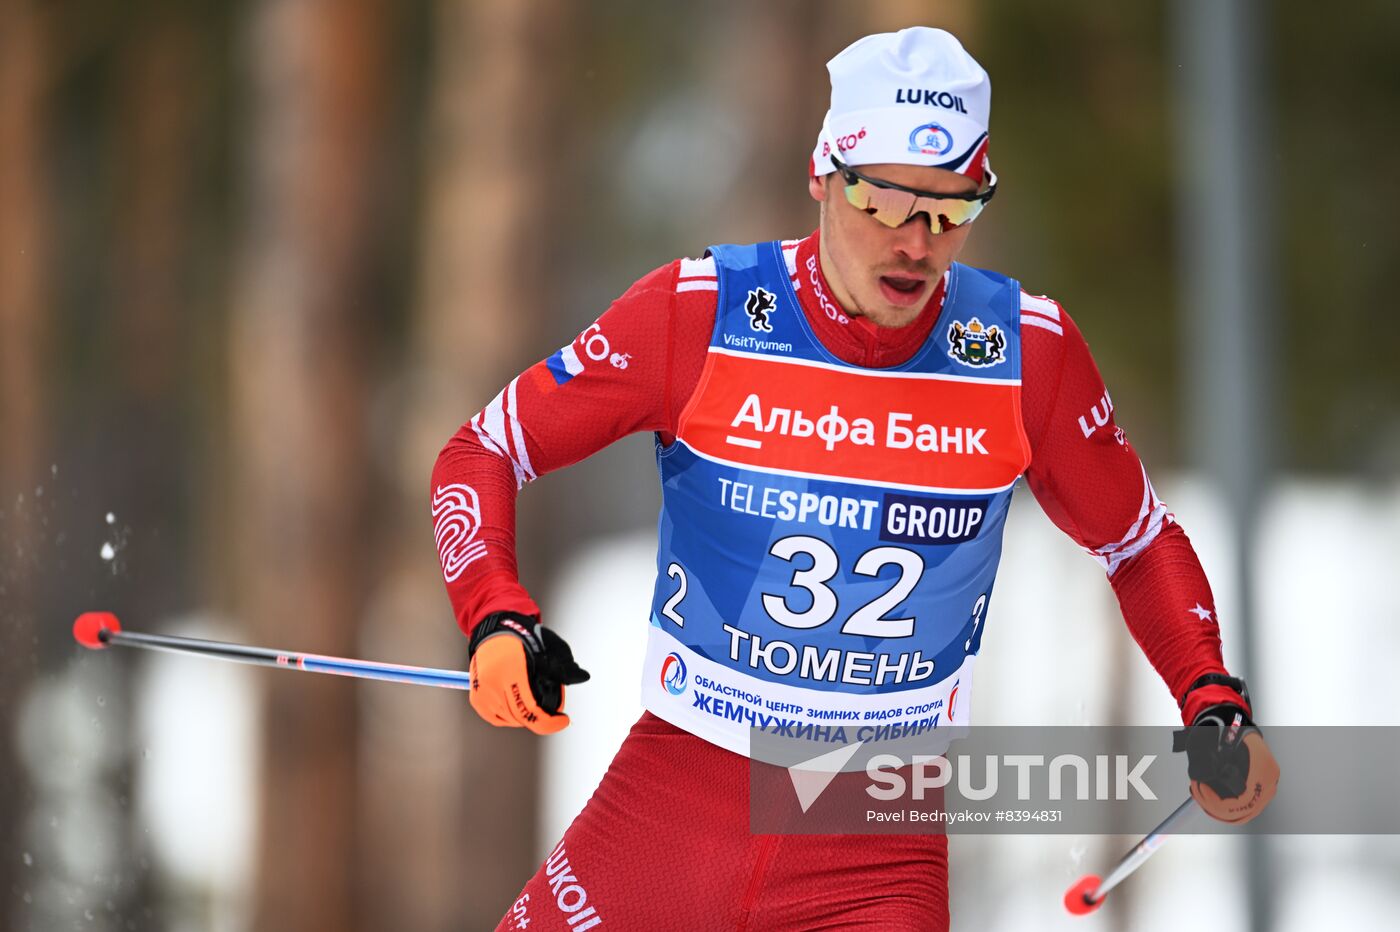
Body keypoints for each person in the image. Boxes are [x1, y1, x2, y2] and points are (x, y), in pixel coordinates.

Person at [431, 27, 1279, 931]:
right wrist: (495, 612)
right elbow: (482, 449)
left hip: (876, 832)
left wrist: (1209, 695)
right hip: (678, 801)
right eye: (884, 203)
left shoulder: (1026, 354)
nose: (916, 243)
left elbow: (1137, 539)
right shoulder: (699, 315)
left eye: (951, 210)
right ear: (823, 176)